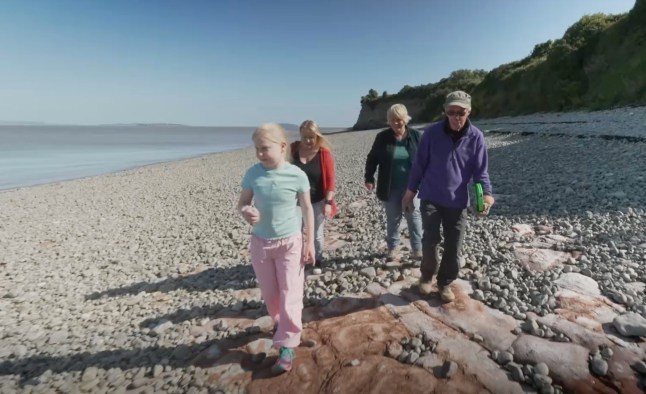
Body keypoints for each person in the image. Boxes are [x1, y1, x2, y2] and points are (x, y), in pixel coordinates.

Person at [237, 123, 315, 374]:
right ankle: (284, 326)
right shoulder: (253, 173)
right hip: (261, 244)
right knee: (271, 296)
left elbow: (307, 209)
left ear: (282, 147)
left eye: (264, 148)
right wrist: (246, 212)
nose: (259, 153)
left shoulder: (297, 175)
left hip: (290, 242)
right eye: (256, 149)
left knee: (291, 293)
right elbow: (242, 203)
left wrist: (310, 241)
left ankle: (287, 344)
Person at [403, 91, 495, 302]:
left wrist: (487, 196)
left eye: (460, 112)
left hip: (458, 202)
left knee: (454, 246)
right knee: (430, 241)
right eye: (451, 112)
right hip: (431, 197)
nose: (456, 117)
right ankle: (426, 277)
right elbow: (419, 165)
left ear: (468, 111)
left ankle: (445, 283)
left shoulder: (476, 137)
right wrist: (410, 192)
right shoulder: (431, 133)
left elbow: (481, 172)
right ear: (445, 111)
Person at [364, 103, 423, 260]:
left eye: (400, 119)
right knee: (393, 218)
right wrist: (369, 177)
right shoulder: (382, 138)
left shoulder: (416, 136)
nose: (397, 123)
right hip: (390, 186)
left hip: (412, 187)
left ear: (405, 119)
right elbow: (372, 159)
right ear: (389, 121)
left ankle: (418, 249)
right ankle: (393, 248)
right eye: (393, 120)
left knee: (414, 217)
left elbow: (426, 160)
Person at [290, 120, 336, 268]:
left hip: (317, 201)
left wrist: (328, 203)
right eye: (305, 137)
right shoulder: (292, 150)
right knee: (295, 233)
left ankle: (317, 259)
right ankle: (296, 260)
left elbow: (330, 182)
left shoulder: (324, 154)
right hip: (295, 202)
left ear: (317, 136)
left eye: (312, 137)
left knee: (315, 233)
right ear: (300, 135)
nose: (308, 141)